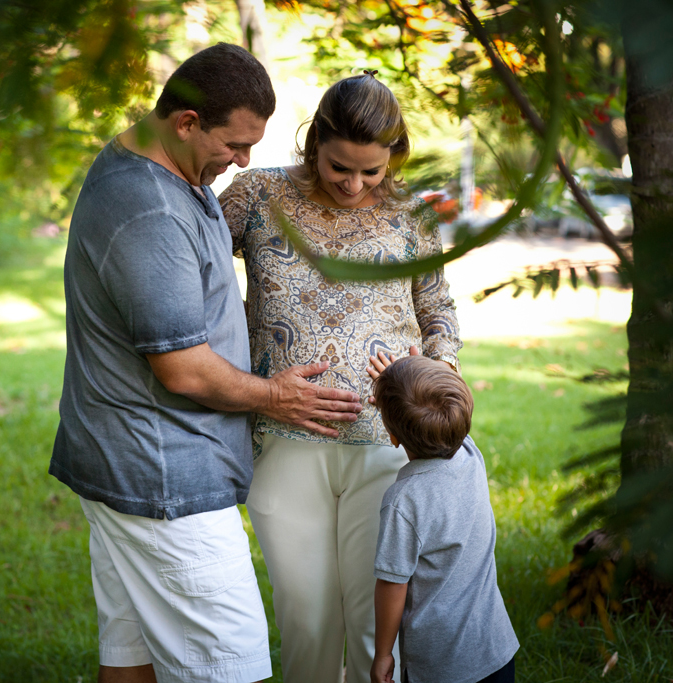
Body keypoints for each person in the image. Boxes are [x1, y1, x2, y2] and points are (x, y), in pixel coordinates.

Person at [49, 43, 364, 683]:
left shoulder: (160, 166)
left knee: (129, 660)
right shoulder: (150, 210)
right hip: (164, 480)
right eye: (235, 144)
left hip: (130, 467)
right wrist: (278, 398)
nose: (244, 160)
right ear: (187, 121)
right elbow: (183, 369)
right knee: (232, 664)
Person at [218, 73, 462, 683]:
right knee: (306, 618)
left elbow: (437, 310)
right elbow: (187, 270)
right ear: (313, 144)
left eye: (372, 172)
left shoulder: (411, 213)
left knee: (373, 619)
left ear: (393, 158)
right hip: (284, 440)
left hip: (386, 442)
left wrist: (439, 374)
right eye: (339, 168)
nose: (355, 185)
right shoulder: (256, 195)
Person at [368, 354, 519, 683]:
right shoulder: (469, 454)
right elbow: (442, 408)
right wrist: (414, 375)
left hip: (440, 666)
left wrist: (383, 654)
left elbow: (393, 583)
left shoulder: (404, 499)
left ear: (393, 438)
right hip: (496, 650)